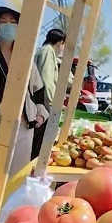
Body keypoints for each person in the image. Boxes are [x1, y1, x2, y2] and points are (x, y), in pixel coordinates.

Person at [0, 7, 48, 187]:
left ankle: (14, 212)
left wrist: (40, 114)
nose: (8, 26)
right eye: (3, 21)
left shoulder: (26, 58)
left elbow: (38, 91)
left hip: (24, 124)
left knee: (20, 176)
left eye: (13, 22)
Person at [31, 28, 66, 160]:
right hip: (43, 104)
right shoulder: (47, 52)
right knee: (39, 142)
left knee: (38, 141)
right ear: (60, 42)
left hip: (42, 102)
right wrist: (52, 103)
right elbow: (47, 79)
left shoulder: (46, 51)